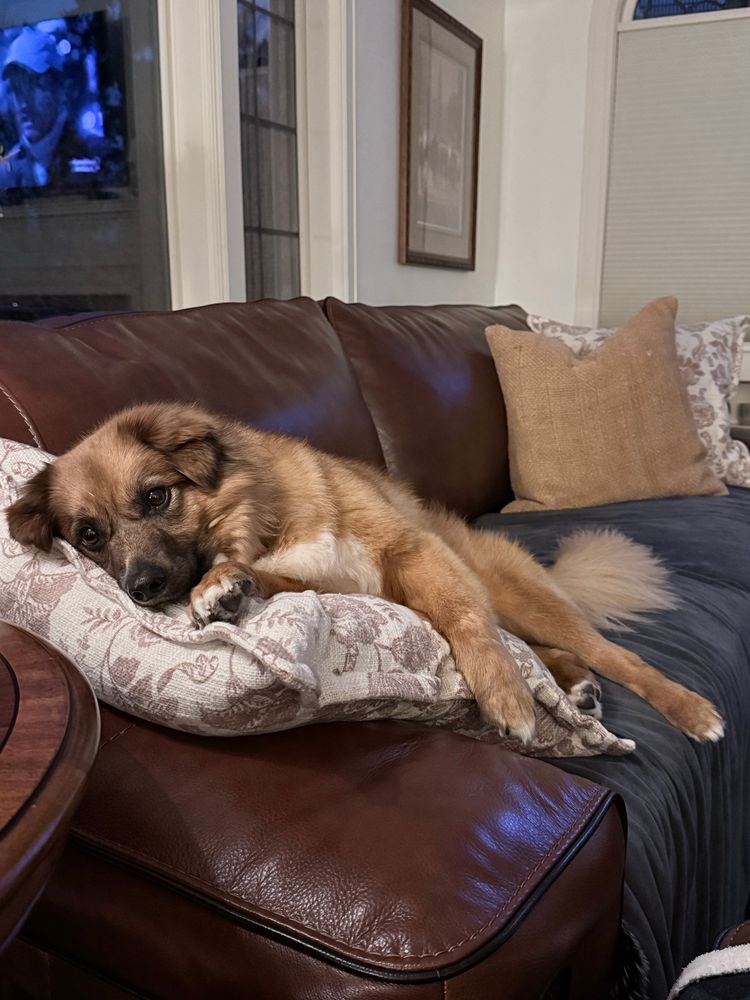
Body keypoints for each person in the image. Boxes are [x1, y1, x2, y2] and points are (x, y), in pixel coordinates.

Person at [0, 27, 68, 189]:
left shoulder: (86, 155)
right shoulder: (4, 172)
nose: (22, 103)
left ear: (57, 88)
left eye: (32, 86)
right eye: (16, 88)